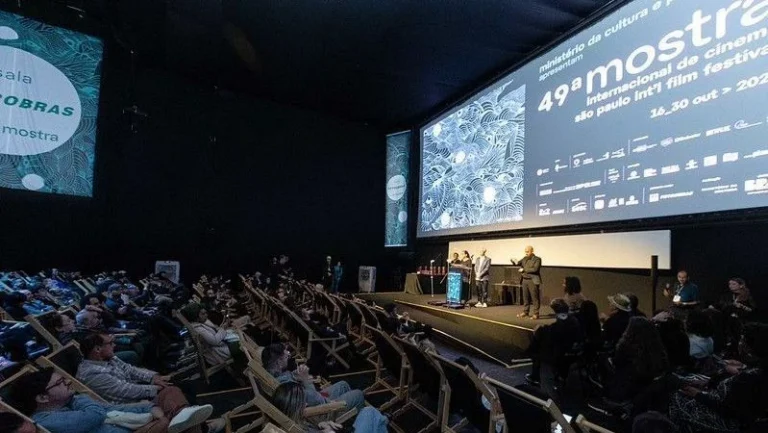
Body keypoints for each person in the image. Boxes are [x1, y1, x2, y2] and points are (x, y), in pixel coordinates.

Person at [8, 367, 213, 433]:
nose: (69, 384)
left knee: (170, 392)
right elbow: (96, 414)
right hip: (132, 431)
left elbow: (112, 407)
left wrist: (151, 407)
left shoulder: (66, 403)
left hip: (132, 423)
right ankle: (189, 421)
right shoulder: (46, 421)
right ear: (43, 397)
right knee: (182, 418)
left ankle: (181, 417)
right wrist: (80, 396)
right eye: (61, 383)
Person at [670, 323, 768, 432]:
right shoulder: (756, 368)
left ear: (749, 347)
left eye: (742, 340)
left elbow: (727, 410)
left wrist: (697, 394)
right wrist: (709, 381)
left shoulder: (749, 377)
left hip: (730, 423)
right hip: (737, 413)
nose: (739, 343)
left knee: (676, 398)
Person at [261, 343, 365, 411]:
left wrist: (295, 376)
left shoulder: (273, 376)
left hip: (312, 402)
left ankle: (349, 419)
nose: (289, 354)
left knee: (343, 385)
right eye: (285, 355)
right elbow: (318, 401)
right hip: (321, 410)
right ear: (279, 362)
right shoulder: (288, 387)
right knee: (358, 394)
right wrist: (306, 380)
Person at [525, 298, 584, 401]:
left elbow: (552, 335)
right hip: (573, 353)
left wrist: (539, 331)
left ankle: (548, 396)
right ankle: (536, 375)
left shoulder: (558, 327)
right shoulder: (574, 321)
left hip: (560, 356)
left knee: (541, 352)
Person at [272, 382, 387, 433]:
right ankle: (382, 420)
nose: (306, 404)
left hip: (320, 422)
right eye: (302, 402)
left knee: (343, 386)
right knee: (369, 412)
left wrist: (321, 426)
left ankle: (382, 421)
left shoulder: (291, 424)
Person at [513, 246, 542, 319]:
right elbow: (517, 263)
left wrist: (523, 270)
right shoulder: (524, 258)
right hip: (524, 280)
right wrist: (513, 261)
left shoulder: (537, 259)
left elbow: (535, 269)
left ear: (532, 251)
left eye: (527, 251)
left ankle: (536, 313)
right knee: (525, 297)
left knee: (534, 297)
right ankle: (525, 312)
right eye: (525, 251)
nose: (526, 253)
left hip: (532, 281)